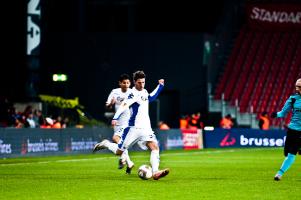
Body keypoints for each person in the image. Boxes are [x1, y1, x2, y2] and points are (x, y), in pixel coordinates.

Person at [93, 70, 169, 180]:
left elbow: (151, 97)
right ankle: (106, 144)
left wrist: (160, 86)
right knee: (119, 152)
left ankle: (155, 172)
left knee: (154, 147)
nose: (142, 85)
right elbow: (123, 106)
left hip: (146, 129)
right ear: (134, 82)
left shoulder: (144, 91)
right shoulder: (131, 94)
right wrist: (115, 117)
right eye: (139, 82)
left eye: (143, 82)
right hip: (133, 129)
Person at [100, 73, 135, 174]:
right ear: (120, 83)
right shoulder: (114, 92)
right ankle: (128, 163)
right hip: (118, 121)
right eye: (124, 83)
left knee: (116, 139)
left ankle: (126, 160)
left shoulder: (132, 92)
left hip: (128, 121)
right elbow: (107, 106)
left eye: (128, 83)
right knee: (120, 142)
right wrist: (110, 104)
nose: (126, 84)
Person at [272, 78, 301, 181]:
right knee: (287, 153)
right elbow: (283, 113)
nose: (298, 89)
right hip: (293, 130)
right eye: (298, 87)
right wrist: (275, 114)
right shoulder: (293, 99)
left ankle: (279, 174)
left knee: (292, 153)